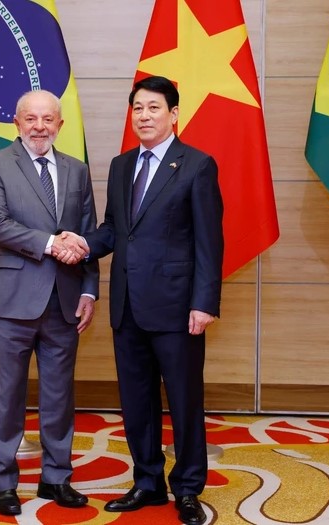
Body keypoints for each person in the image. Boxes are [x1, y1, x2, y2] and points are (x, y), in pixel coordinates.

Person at [58, 75, 223, 525]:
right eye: (138, 108)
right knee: (137, 401)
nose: (144, 116)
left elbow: (210, 241)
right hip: (127, 305)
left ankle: (187, 488)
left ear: (174, 114)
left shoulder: (197, 165)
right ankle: (148, 482)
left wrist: (204, 302)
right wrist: (83, 243)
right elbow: (115, 229)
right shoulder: (121, 165)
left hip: (177, 307)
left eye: (154, 108)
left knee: (185, 402)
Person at [0, 89, 99, 516]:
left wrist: (89, 290)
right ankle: (4, 482)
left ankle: (56, 477)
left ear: (60, 125)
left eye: (48, 119)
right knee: (6, 396)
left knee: (59, 396)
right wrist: (50, 243)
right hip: (10, 301)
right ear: (17, 122)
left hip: (65, 301)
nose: (40, 127)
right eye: (31, 118)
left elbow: (87, 234)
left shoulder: (77, 170)